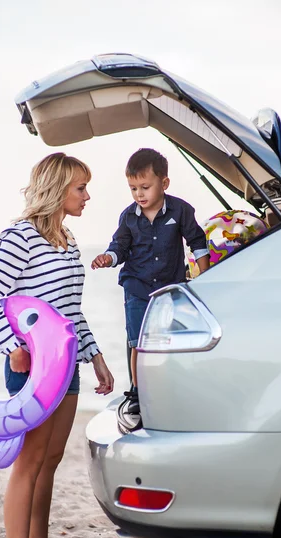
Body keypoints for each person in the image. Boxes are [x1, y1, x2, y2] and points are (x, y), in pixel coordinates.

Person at [0, 153, 114, 538]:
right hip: (31, 373)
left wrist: (95, 358)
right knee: (29, 465)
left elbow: (69, 313)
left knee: (50, 461)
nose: (87, 196)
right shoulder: (20, 237)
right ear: (56, 189)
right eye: (80, 189)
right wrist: (10, 346)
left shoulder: (67, 240)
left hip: (66, 368)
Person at [91, 148, 209, 409]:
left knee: (169, 341)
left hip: (170, 288)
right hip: (137, 285)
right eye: (133, 188)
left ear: (164, 183)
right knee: (139, 342)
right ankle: (137, 392)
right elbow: (119, 247)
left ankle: (169, 387)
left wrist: (206, 277)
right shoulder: (128, 216)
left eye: (145, 187)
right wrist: (108, 258)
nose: (139, 194)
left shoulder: (181, 210)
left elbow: (197, 242)